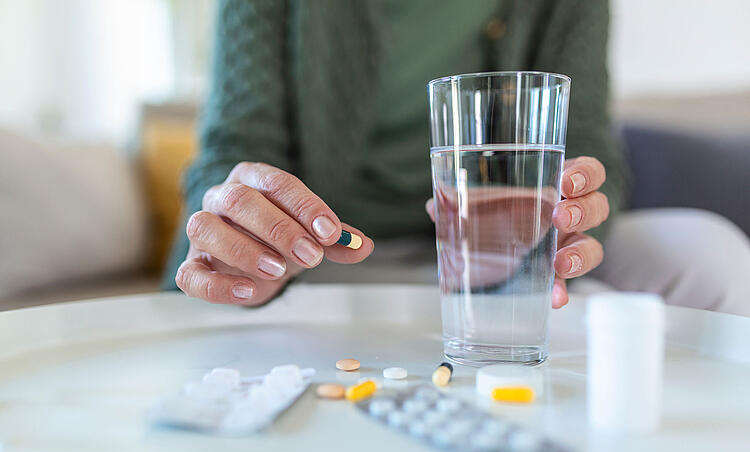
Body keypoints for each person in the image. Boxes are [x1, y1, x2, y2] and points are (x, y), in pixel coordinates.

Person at [166, 0, 750, 317]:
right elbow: (232, 153)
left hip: (506, 254)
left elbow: (594, 150)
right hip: (337, 259)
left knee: (710, 252)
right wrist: (246, 231)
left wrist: (572, 213)